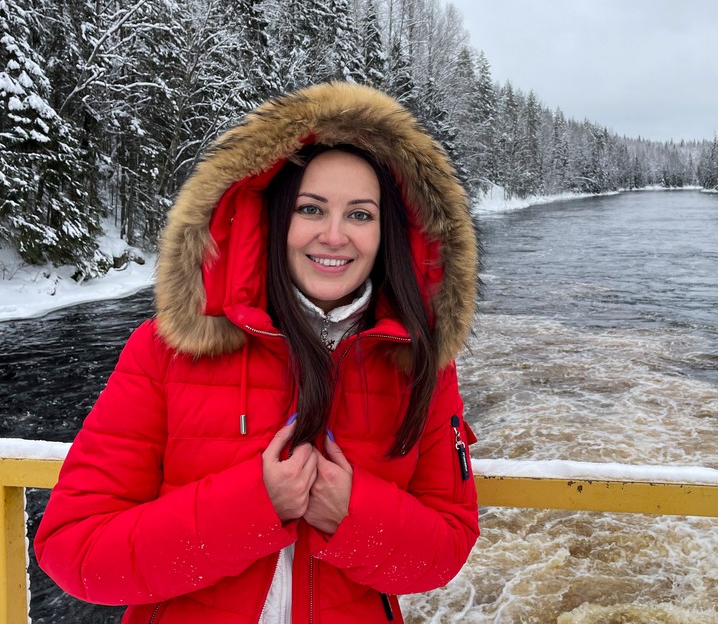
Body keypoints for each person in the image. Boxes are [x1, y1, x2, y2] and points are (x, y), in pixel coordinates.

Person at [35, 82, 480, 623]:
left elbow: (445, 550)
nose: (335, 235)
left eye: (361, 215)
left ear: (390, 233)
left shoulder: (421, 365)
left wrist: (353, 514)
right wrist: (253, 506)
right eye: (311, 209)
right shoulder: (168, 351)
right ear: (274, 220)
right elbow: (75, 551)